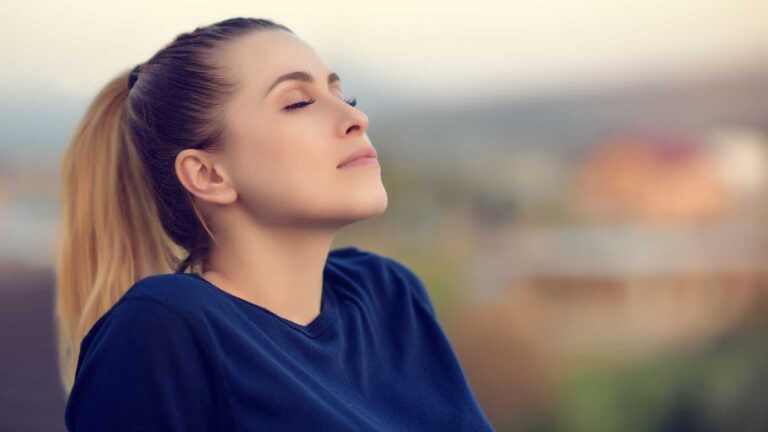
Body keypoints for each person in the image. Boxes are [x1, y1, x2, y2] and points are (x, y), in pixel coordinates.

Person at [55, 17, 495, 431]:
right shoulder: (164, 328)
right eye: (299, 102)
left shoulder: (388, 295)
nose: (356, 119)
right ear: (208, 174)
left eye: (343, 96)